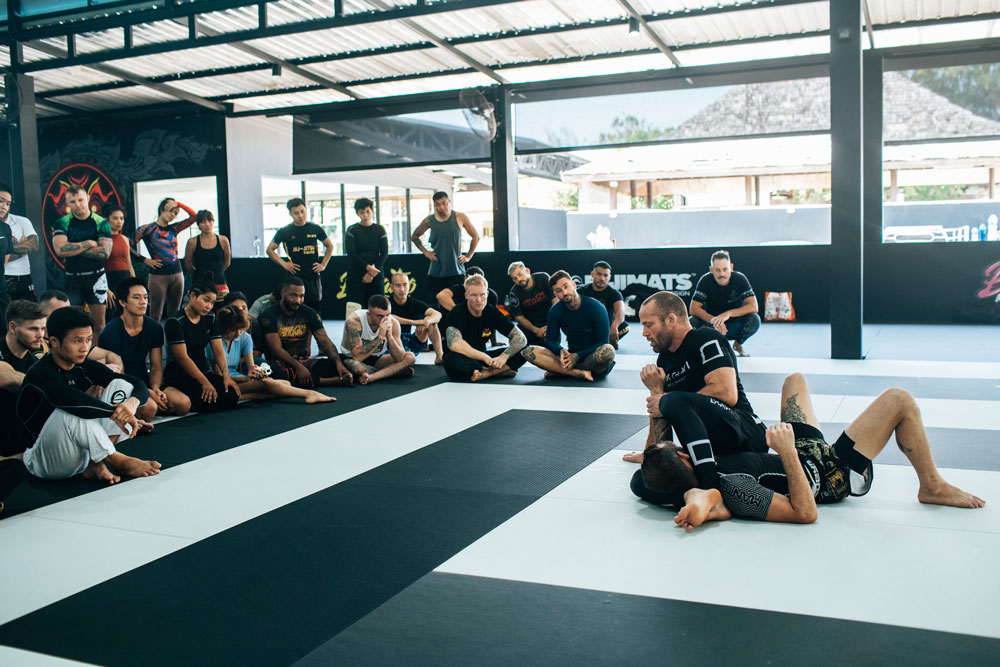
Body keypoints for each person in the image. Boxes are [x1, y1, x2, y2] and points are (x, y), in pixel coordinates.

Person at [631, 373, 986, 530]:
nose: (679, 443)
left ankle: (798, 442)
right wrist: (786, 451)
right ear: (681, 457)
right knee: (899, 399)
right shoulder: (735, 488)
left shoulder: (664, 482)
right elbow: (805, 513)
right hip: (827, 472)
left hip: (801, 448)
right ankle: (932, 485)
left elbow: (641, 480)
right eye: (674, 446)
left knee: (794, 379)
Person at [629, 291, 767, 492]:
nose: (643, 333)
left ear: (671, 320)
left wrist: (669, 401)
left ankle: (708, 489)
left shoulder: (706, 338)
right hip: (708, 452)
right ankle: (705, 486)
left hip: (745, 434)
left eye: (648, 325)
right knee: (642, 482)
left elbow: (727, 393)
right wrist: (650, 452)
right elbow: (662, 413)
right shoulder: (665, 360)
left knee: (672, 400)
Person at [14, 307, 161, 484]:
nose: (85, 347)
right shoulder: (41, 373)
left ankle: (95, 463)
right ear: (54, 341)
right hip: (45, 460)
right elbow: (74, 403)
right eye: (77, 341)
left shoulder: (84, 365)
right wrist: (120, 415)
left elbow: (137, 383)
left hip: (81, 453)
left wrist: (130, 406)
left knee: (120, 384)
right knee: (72, 411)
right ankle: (117, 460)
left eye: (89, 340)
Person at [99, 277, 190, 418]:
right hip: (124, 384)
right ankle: (134, 411)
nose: (143, 302)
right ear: (123, 302)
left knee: (183, 404)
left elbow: (156, 366)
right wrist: (146, 392)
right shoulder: (111, 332)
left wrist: (155, 389)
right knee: (149, 409)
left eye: (145, 297)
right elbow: (118, 374)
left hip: (146, 380)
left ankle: (142, 408)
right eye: (136, 297)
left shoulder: (154, 327)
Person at [213, 304, 334, 404]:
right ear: (225, 327)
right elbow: (218, 376)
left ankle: (247, 396)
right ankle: (309, 394)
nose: (238, 333)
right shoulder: (214, 342)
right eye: (234, 329)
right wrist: (245, 378)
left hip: (240, 380)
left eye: (241, 329)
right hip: (223, 383)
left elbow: (251, 368)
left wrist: (256, 373)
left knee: (282, 383)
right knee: (269, 384)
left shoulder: (245, 338)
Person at [258, 277, 353, 388]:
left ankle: (321, 378)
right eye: (293, 295)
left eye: (301, 296)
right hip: (281, 364)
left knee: (346, 364)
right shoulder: (269, 315)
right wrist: (298, 367)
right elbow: (275, 349)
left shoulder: (309, 313)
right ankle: (331, 381)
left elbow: (325, 341)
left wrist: (339, 364)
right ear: (283, 293)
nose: (298, 301)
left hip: (306, 363)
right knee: (275, 374)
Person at [522, 271, 615, 381]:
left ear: (574, 285)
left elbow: (603, 341)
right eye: (559, 291)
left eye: (566, 287)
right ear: (555, 294)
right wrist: (561, 350)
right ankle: (576, 373)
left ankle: (560, 370)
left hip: (592, 357)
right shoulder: (555, 311)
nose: (564, 292)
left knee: (608, 352)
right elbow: (550, 341)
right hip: (570, 357)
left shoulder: (596, 307)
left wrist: (578, 356)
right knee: (528, 352)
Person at [163, 283, 241, 413]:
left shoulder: (210, 317)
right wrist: (204, 382)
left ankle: (201, 402)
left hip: (205, 370)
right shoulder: (175, 321)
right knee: (208, 401)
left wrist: (226, 376)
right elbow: (182, 358)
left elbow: (218, 350)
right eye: (206, 300)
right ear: (193, 296)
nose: (209, 306)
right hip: (181, 374)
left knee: (232, 395)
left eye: (212, 302)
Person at [51, 185, 112, 335]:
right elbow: (60, 250)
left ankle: (96, 357)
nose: (77, 205)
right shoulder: (62, 222)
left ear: (88, 198)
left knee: (99, 324)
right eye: (72, 202)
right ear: (67, 203)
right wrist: (88, 244)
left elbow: (104, 253)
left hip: (97, 277)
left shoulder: (101, 222)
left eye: (80, 200)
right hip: (73, 278)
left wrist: (73, 248)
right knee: (74, 323)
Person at [443, 274, 527, 382]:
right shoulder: (457, 312)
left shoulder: (492, 311)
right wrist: (484, 357)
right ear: (466, 296)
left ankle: (485, 373)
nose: (479, 300)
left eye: (482, 295)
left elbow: (520, 338)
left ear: (487, 294)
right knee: (451, 362)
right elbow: (454, 344)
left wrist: (503, 357)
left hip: (485, 359)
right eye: (473, 295)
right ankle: (500, 371)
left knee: (525, 350)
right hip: (464, 357)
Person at [267, 197, 333, 314]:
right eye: (296, 213)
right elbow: (270, 250)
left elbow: (329, 246)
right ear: (290, 214)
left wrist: (323, 264)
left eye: (302, 211)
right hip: (294, 276)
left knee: (314, 311)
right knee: (293, 310)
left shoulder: (315, 228)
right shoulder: (285, 231)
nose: (300, 215)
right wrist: (284, 264)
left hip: (312, 276)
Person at [134, 197, 196, 321]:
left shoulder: (173, 228)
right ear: (163, 209)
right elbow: (128, 245)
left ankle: (174, 339)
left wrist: (179, 203)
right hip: (158, 274)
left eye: (176, 213)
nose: (173, 215)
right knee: (155, 313)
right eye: (171, 210)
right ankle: (155, 340)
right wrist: (145, 260)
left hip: (177, 273)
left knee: (175, 312)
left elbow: (194, 217)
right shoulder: (146, 229)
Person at [689, 249, 760, 357]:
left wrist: (727, 314)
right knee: (692, 322)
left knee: (754, 320)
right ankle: (706, 347)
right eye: (717, 270)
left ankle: (738, 344)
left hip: (734, 325)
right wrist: (713, 320)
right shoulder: (705, 280)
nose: (722, 274)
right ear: (711, 269)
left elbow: (753, 306)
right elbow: (693, 309)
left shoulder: (740, 279)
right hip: (713, 327)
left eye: (725, 269)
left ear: (731, 267)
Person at [410, 191, 479, 297]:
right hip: (437, 269)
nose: (441, 207)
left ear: (449, 202)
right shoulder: (429, 220)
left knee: (459, 299)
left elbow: (476, 236)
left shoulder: (460, 217)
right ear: (434, 205)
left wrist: (468, 256)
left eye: (444, 203)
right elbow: (414, 236)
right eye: (438, 204)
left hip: (456, 269)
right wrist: (426, 252)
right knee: (439, 300)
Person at [38, 290, 124, 373]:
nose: (65, 316)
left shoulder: (78, 339)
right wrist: (101, 370)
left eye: (69, 311)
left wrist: (114, 370)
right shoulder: (37, 341)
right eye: (59, 312)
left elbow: (111, 355)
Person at [0, 300, 46, 456]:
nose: (40, 335)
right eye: (33, 329)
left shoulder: (36, 363)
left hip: (24, 445)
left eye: (42, 328)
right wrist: (50, 385)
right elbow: (7, 378)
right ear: (13, 327)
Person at [341, 295, 416, 385]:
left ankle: (372, 377)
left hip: (376, 359)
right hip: (351, 358)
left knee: (410, 357)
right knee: (359, 368)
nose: (384, 319)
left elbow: (400, 358)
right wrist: (380, 336)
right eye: (379, 316)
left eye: (388, 315)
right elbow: (357, 356)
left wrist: (389, 337)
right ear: (368, 314)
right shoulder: (354, 321)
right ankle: (392, 371)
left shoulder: (393, 323)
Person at [388, 271, 444, 364]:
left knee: (432, 323)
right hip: (391, 344)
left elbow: (438, 314)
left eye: (405, 285)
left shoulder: (414, 303)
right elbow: (388, 317)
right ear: (391, 287)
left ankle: (439, 357)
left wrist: (426, 321)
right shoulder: (386, 303)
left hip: (411, 343)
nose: (402, 289)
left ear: (409, 286)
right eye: (398, 285)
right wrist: (415, 322)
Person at [344, 197, 388, 313]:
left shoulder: (380, 229)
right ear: (357, 213)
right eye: (361, 213)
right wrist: (368, 268)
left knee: (378, 308)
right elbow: (351, 254)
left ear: (372, 211)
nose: (365, 215)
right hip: (356, 274)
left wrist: (373, 271)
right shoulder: (352, 230)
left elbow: (384, 252)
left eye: (368, 211)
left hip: (376, 273)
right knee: (355, 309)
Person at [0, 183, 38, 302]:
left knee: (30, 316)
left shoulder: (21, 221)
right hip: (3, 277)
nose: (4, 206)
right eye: (1, 201)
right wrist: (22, 250)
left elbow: (33, 245)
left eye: (8, 203)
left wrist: (5, 249)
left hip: (22, 276)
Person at [579, 261, 628, 349]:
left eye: (605, 275)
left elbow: (620, 313)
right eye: (599, 274)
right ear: (592, 274)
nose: (602, 278)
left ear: (609, 277)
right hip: (587, 328)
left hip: (606, 328)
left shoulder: (614, 294)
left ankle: (607, 341)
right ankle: (603, 343)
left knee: (625, 327)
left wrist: (614, 326)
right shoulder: (582, 291)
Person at [506, 262, 556, 347]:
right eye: (514, 278)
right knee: (514, 340)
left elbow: (556, 302)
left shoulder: (543, 278)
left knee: (552, 346)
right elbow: (519, 318)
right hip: (530, 326)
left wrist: (551, 325)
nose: (518, 280)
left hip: (548, 322)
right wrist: (537, 331)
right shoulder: (514, 293)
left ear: (527, 271)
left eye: (520, 274)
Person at [184, 209, 230, 297]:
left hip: (219, 280)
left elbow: (227, 263)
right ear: (198, 225)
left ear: (213, 222)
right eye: (203, 222)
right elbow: (188, 265)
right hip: (199, 281)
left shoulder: (223, 240)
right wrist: (199, 274)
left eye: (210, 220)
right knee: (199, 307)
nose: (207, 224)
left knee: (223, 307)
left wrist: (218, 271)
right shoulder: (192, 242)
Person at [103, 205, 135, 305]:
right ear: (106, 220)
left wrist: (135, 284)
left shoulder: (125, 239)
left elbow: (129, 263)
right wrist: (105, 288)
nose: (119, 221)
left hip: (125, 279)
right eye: (115, 218)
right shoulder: (102, 239)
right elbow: (99, 266)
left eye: (121, 218)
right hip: (109, 280)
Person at [223, 291, 267, 360]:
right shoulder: (221, 324)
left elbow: (257, 352)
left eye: (243, 308)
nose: (241, 312)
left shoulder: (254, 324)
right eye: (236, 309)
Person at [0, 216, 11, 331]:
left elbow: (6, 255)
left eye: (8, 203)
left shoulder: (4, 227)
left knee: (4, 329)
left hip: (1, 290)